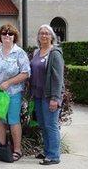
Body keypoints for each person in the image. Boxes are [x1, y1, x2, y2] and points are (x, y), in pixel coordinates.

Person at [0, 24, 31, 161]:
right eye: (4, 33)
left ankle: (17, 150)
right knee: (0, 120)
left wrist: (8, 83)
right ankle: (2, 147)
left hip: (12, 92)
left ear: (14, 37)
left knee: (13, 120)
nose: (7, 36)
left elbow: (26, 73)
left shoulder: (19, 53)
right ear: (0, 36)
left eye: (10, 34)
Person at [30, 25, 65, 165]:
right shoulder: (36, 52)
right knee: (43, 125)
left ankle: (54, 155)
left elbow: (58, 78)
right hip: (38, 95)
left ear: (52, 37)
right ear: (38, 36)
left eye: (47, 33)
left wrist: (55, 98)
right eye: (41, 33)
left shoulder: (55, 53)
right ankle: (47, 151)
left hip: (50, 95)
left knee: (51, 125)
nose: (44, 36)